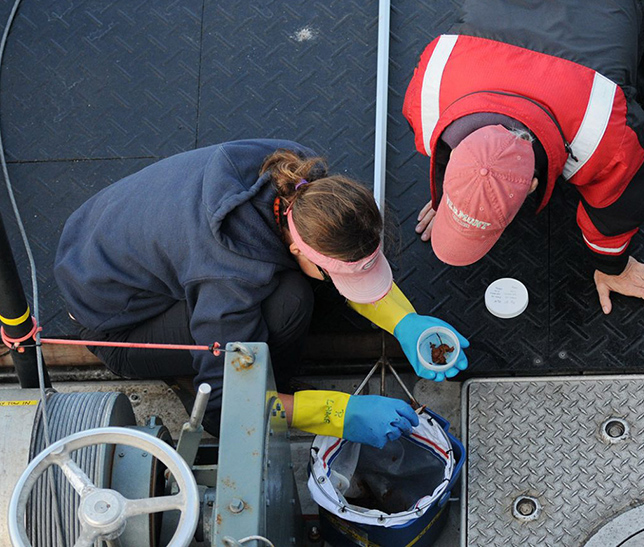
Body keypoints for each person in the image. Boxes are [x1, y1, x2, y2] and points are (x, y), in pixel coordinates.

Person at [54, 139, 468, 446]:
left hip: (94, 239)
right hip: (116, 327)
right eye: (339, 273)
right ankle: (278, 383)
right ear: (294, 247)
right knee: (289, 302)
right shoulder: (231, 275)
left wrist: (404, 321)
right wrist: (341, 414)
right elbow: (227, 409)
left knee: (295, 289)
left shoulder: (298, 174)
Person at [403, 0, 644, 314]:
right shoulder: (428, 95)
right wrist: (453, 197)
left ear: (532, 185)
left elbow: (620, 206)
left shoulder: (605, 136)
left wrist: (614, 267)